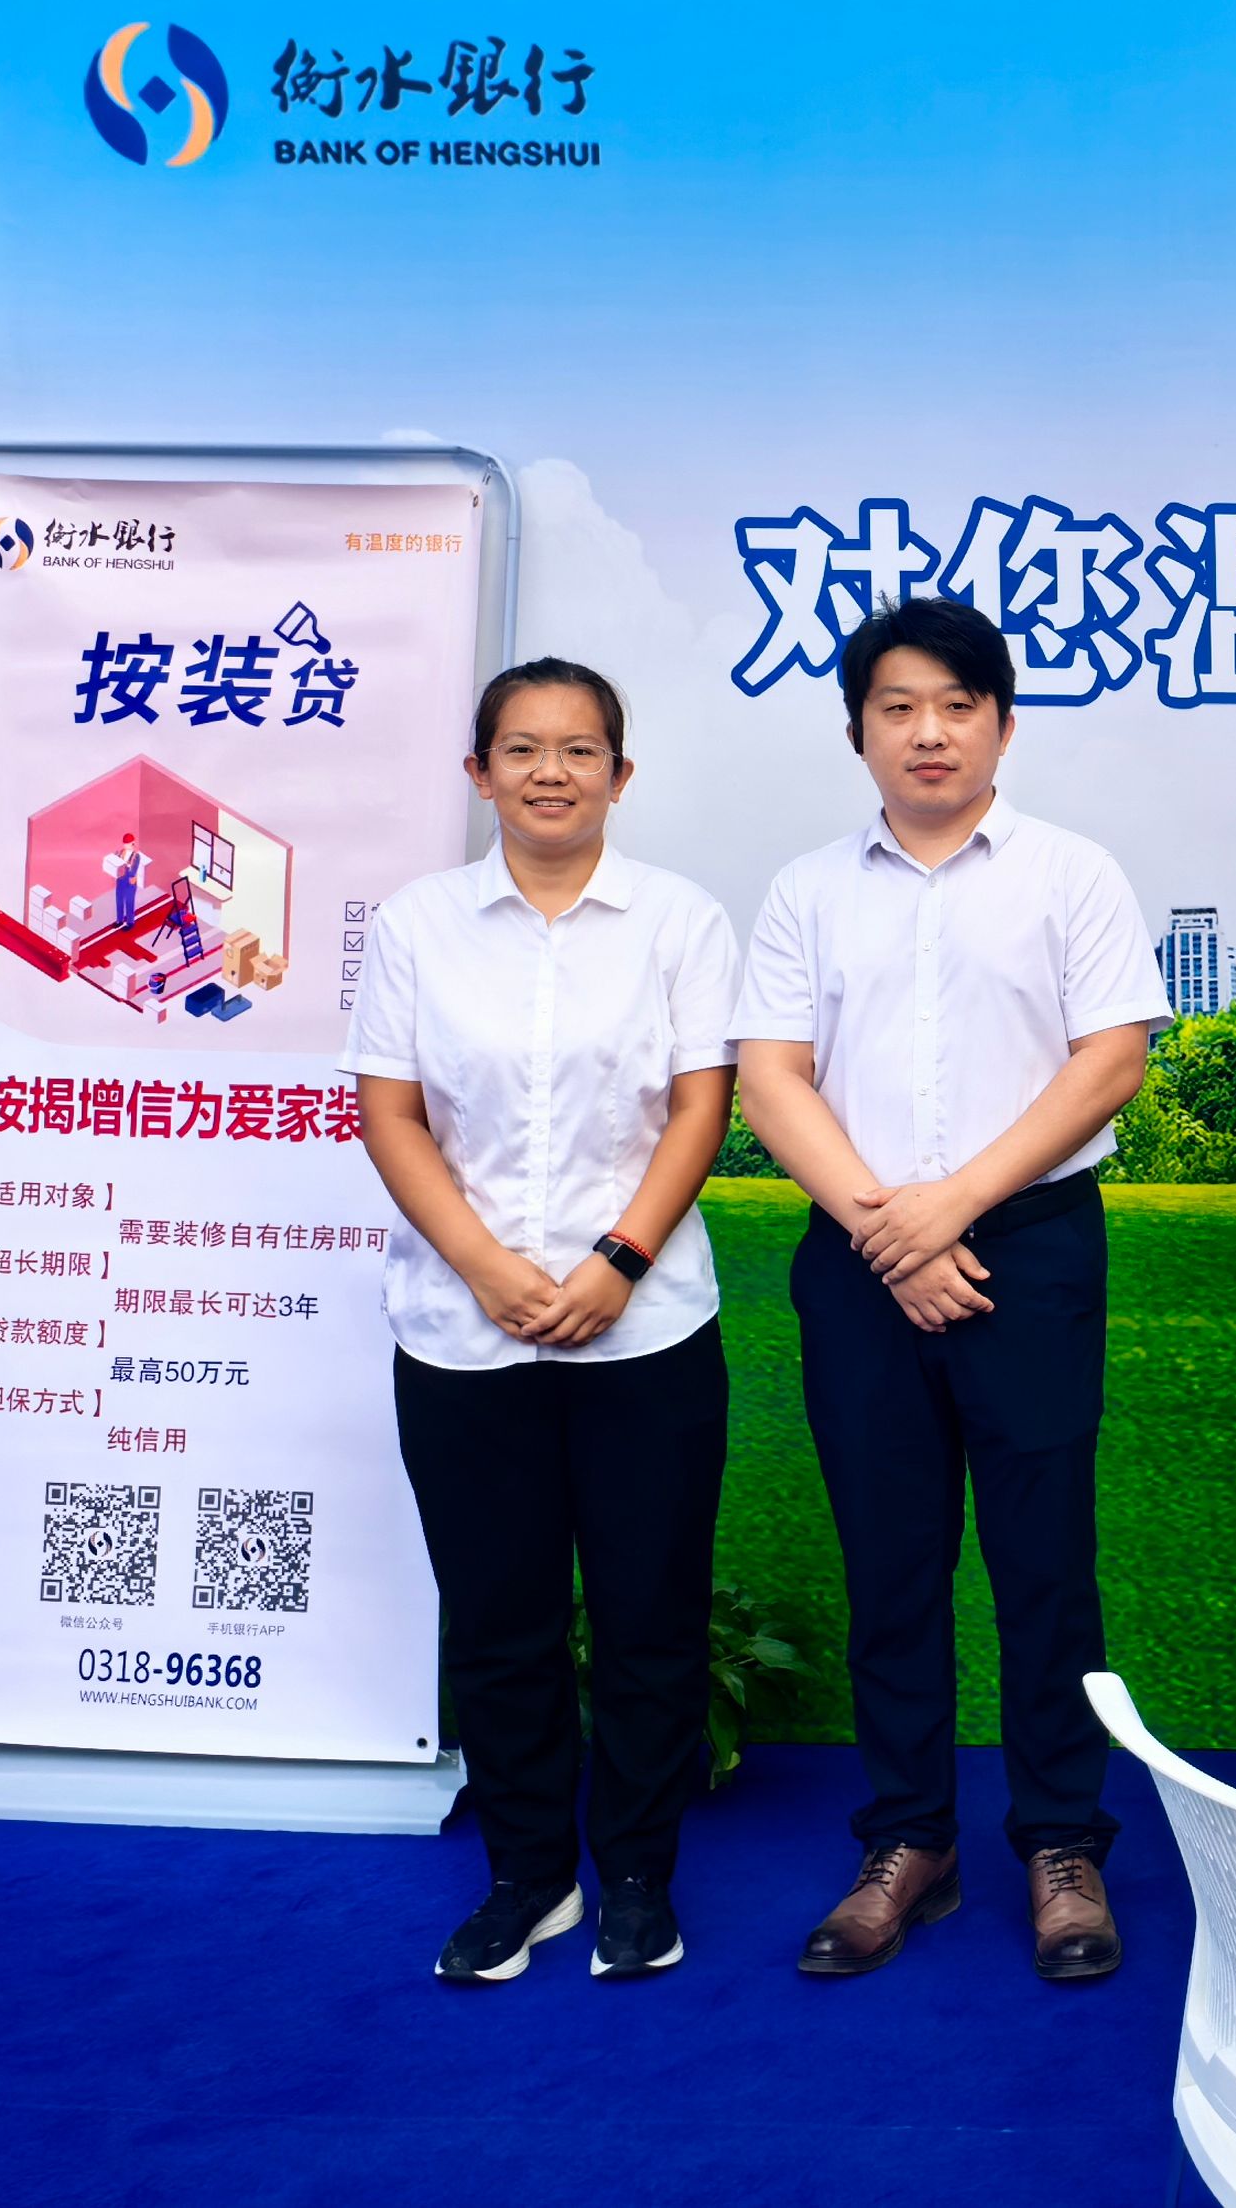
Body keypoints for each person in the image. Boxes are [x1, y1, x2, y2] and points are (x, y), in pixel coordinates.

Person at [733, 596, 1170, 1983]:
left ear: (1003, 725)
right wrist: (891, 1234)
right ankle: (909, 1842)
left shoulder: (1072, 874)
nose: (929, 732)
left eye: (957, 706)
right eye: (898, 708)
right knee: (891, 1563)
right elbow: (771, 1078)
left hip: (1028, 1250)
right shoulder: (808, 890)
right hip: (861, 1255)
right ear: (858, 731)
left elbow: (1110, 1062)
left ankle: (1062, 1844)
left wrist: (951, 1209)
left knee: (1045, 1565)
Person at [350, 658, 738, 1987]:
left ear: (620, 777)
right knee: (498, 1617)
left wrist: (617, 1260)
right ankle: (529, 1876)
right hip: (461, 1334)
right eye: (522, 749)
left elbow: (700, 1104)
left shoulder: (679, 920)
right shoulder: (419, 925)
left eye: (579, 751)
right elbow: (389, 1111)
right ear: (480, 773)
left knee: (648, 1614)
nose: (551, 772)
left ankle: (635, 1877)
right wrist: (485, 1267)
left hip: (647, 1328)